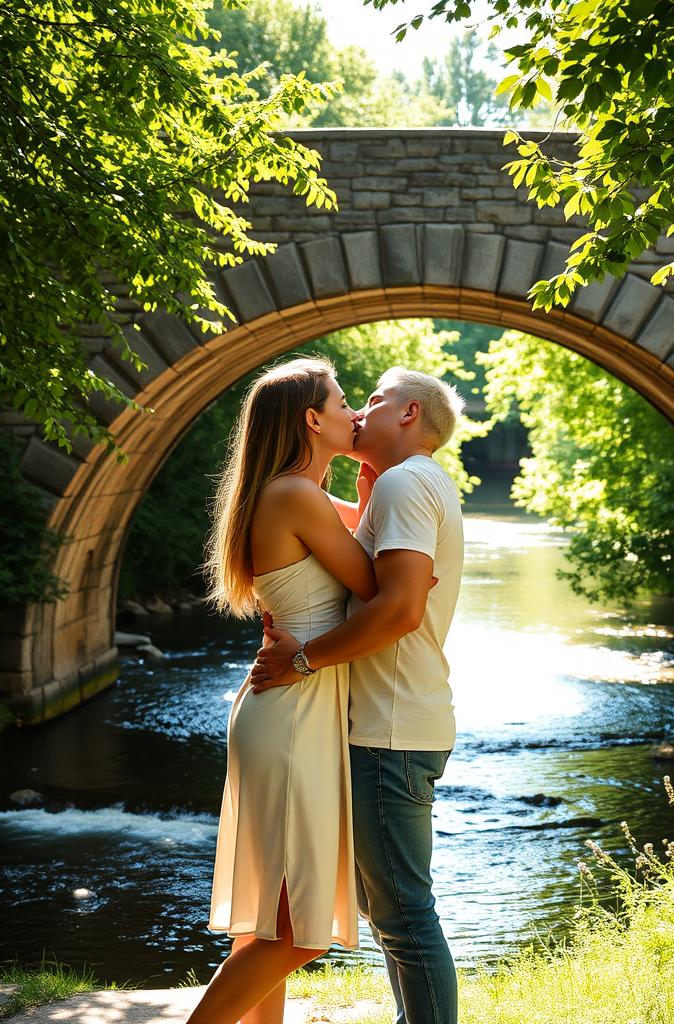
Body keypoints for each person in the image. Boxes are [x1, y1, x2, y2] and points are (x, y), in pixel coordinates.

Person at [249, 366, 466, 1024]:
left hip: (388, 727)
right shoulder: (407, 485)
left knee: (403, 915)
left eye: (373, 400)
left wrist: (304, 659)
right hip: (396, 722)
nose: (360, 411)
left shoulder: (405, 483)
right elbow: (344, 554)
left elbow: (399, 608)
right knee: (391, 913)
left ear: (407, 416)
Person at [188, 356, 377, 1024]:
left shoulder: (295, 492)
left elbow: (366, 529)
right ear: (311, 417)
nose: (356, 412)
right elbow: (377, 585)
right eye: (345, 399)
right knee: (298, 929)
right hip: (294, 712)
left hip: (288, 706)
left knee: (270, 920)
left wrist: (374, 482)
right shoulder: (295, 494)